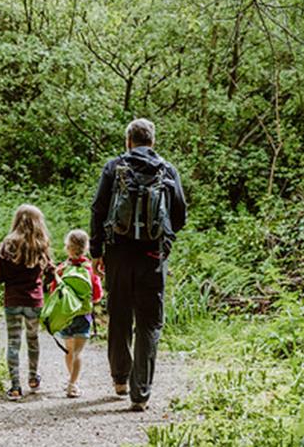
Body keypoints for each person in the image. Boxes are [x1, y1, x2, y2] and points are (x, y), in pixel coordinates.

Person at [90, 118, 187, 411]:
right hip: (153, 256)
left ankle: (120, 379)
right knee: (148, 322)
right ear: (153, 142)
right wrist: (161, 239)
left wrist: (97, 251)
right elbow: (180, 215)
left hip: (118, 254)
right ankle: (140, 393)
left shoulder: (113, 167)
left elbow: (99, 208)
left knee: (119, 314)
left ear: (128, 141)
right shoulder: (167, 170)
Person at [0, 204, 55, 400]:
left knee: (13, 343)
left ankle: (15, 387)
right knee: (33, 340)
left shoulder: (6, 246)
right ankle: (33, 378)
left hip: (13, 301)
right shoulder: (41, 245)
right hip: (34, 302)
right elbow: (50, 272)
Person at [50, 229, 104, 398]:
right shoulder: (89, 269)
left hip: (66, 315)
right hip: (83, 315)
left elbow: (54, 290)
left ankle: (71, 379)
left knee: (69, 350)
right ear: (86, 248)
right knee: (78, 352)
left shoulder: (62, 269)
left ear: (68, 248)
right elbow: (97, 295)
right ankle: (73, 384)